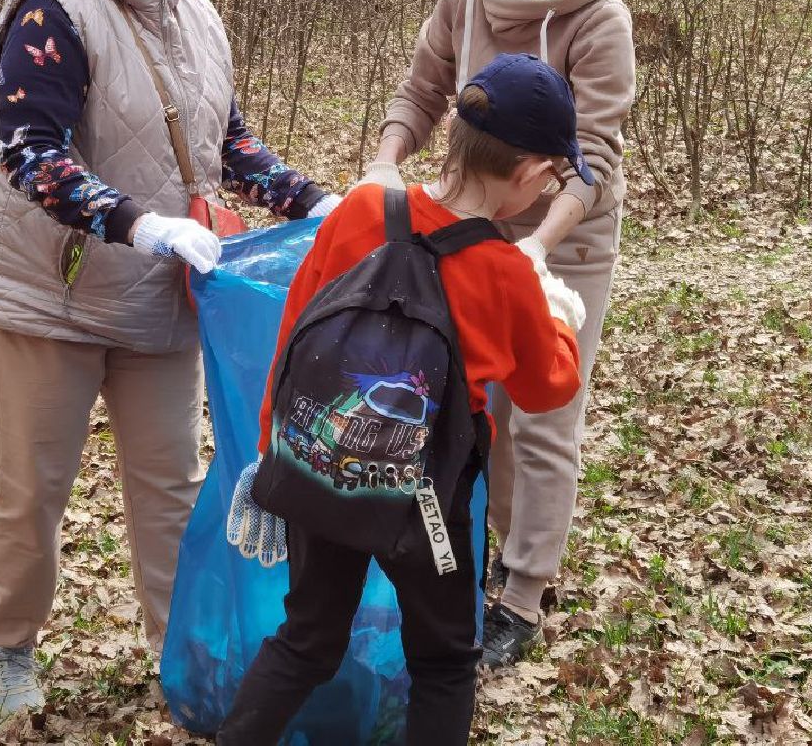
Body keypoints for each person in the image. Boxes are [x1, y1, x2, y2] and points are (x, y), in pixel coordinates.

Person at [0, 0, 340, 721]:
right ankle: (7, 648)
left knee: (172, 485)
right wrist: (138, 224)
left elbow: (226, 143)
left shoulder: (195, 11)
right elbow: (28, 151)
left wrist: (311, 201)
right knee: (33, 487)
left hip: (161, 300)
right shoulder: (52, 8)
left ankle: (185, 650)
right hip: (47, 295)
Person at [218, 54, 587, 745]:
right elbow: (547, 388)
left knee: (307, 639)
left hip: (322, 471)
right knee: (444, 659)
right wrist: (559, 313)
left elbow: (296, 335)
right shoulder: (507, 273)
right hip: (429, 507)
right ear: (535, 173)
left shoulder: (362, 208)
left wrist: (274, 455)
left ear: (452, 134)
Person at [366, 0, 635, 666]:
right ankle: (471, 556)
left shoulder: (600, 19)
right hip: (464, 229)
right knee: (466, 408)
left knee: (543, 411)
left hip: (565, 240)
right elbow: (421, 91)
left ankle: (523, 595)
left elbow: (591, 161)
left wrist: (537, 249)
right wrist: (382, 167)